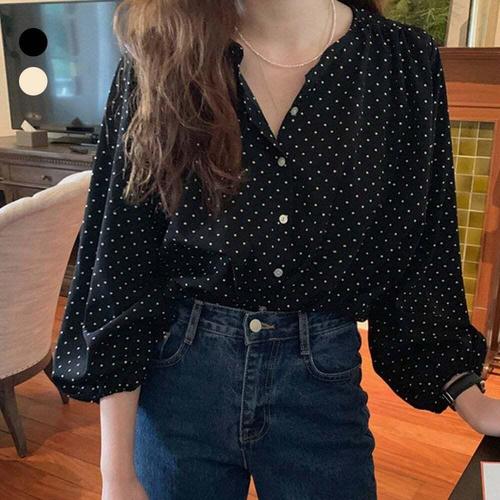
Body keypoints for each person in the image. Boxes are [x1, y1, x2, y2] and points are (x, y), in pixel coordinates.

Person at [52, 1, 500, 499]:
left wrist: (467, 393)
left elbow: (423, 246)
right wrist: (116, 474)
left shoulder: (400, 61)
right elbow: (121, 263)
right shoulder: (160, 52)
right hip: (180, 378)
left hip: (321, 385)